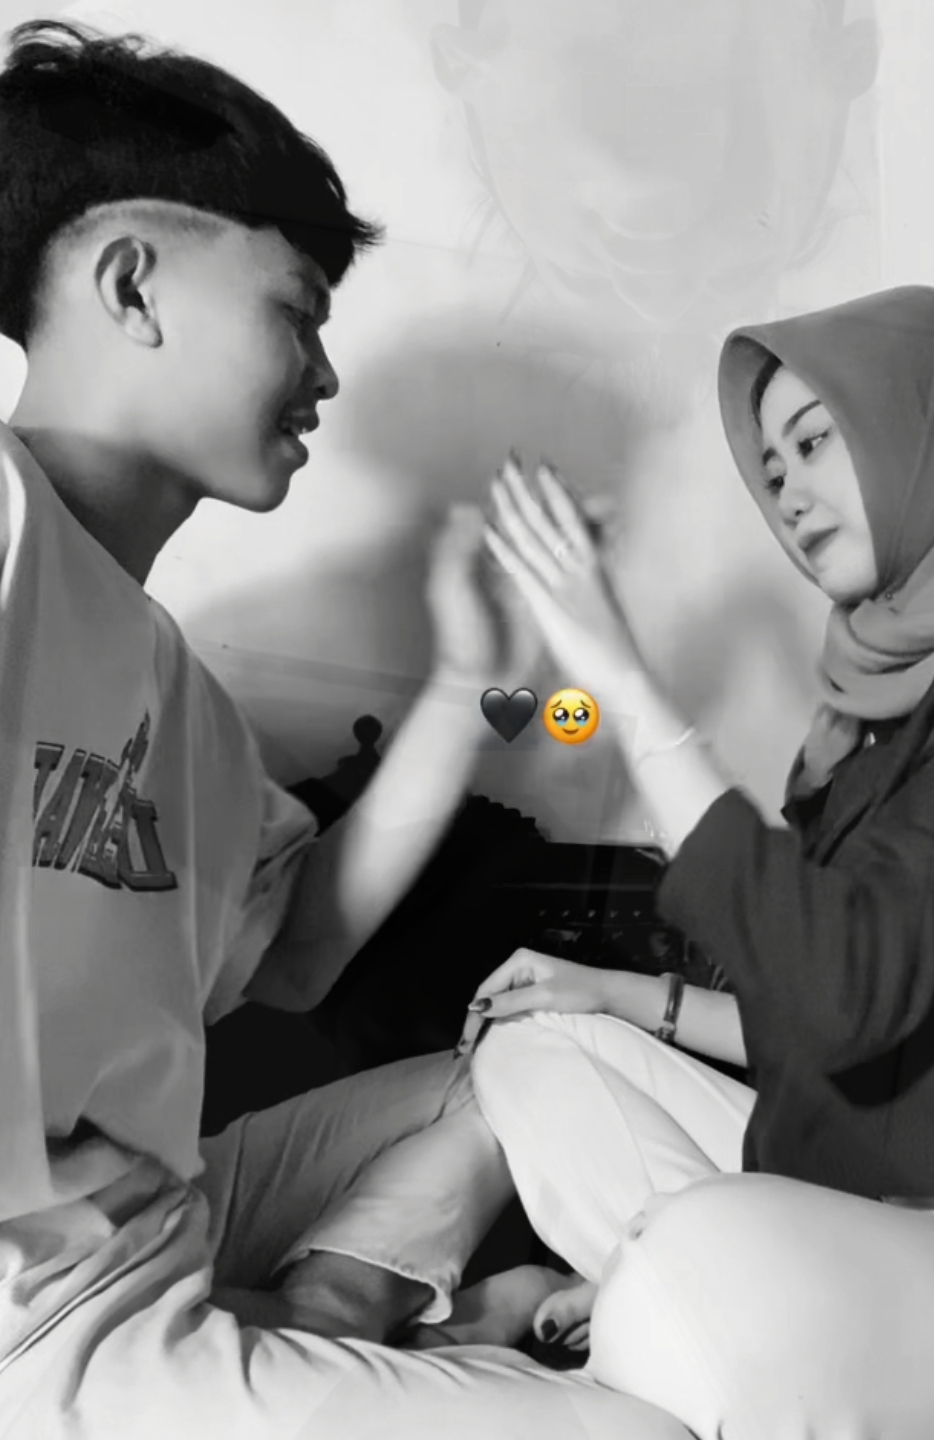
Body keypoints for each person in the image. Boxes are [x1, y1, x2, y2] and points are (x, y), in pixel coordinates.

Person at [0, 20, 691, 1440]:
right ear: (131, 285)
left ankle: (328, 1314)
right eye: (297, 311)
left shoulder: (174, 688)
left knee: (549, 1062)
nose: (323, 373)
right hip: (46, 1321)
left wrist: (469, 682)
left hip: (167, 1210)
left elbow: (301, 952)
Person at [465, 285, 934, 1440]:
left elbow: (840, 996)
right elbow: (825, 1005)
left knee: (713, 1261)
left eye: (815, 440)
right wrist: (615, 993)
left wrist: (622, 681)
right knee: (537, 1051)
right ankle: (672, 1292)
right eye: (771, 464)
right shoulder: (880, 700)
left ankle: (666, 1291)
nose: (786, 489)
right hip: (847, 1187)